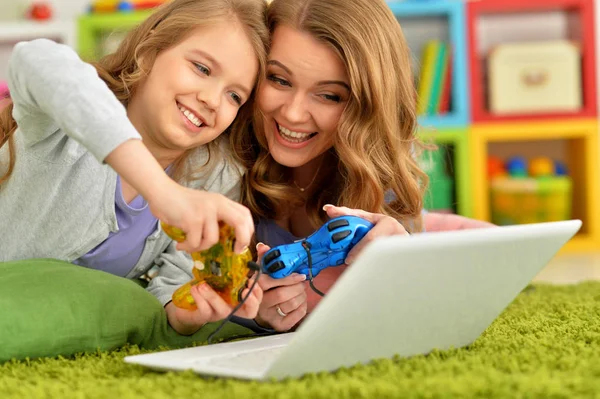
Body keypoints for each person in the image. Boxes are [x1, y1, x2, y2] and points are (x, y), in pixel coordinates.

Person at [0, 0, 270, 335]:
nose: (213, 100)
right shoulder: (62, 127)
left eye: (234, 96)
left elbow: (171, 287)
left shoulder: (214, 172)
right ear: (150, 51)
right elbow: (33, 58)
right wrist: (162, 192)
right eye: (201, 68)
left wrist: (187, 312)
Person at [232, 0, 495, 332]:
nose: (293, 113)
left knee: (487, 248)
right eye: (279, 79)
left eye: (329, 96)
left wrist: (403, 264)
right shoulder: (221, 164)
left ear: (366, 107)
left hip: (401, 227)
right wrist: (250, 314)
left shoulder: (371, 173)